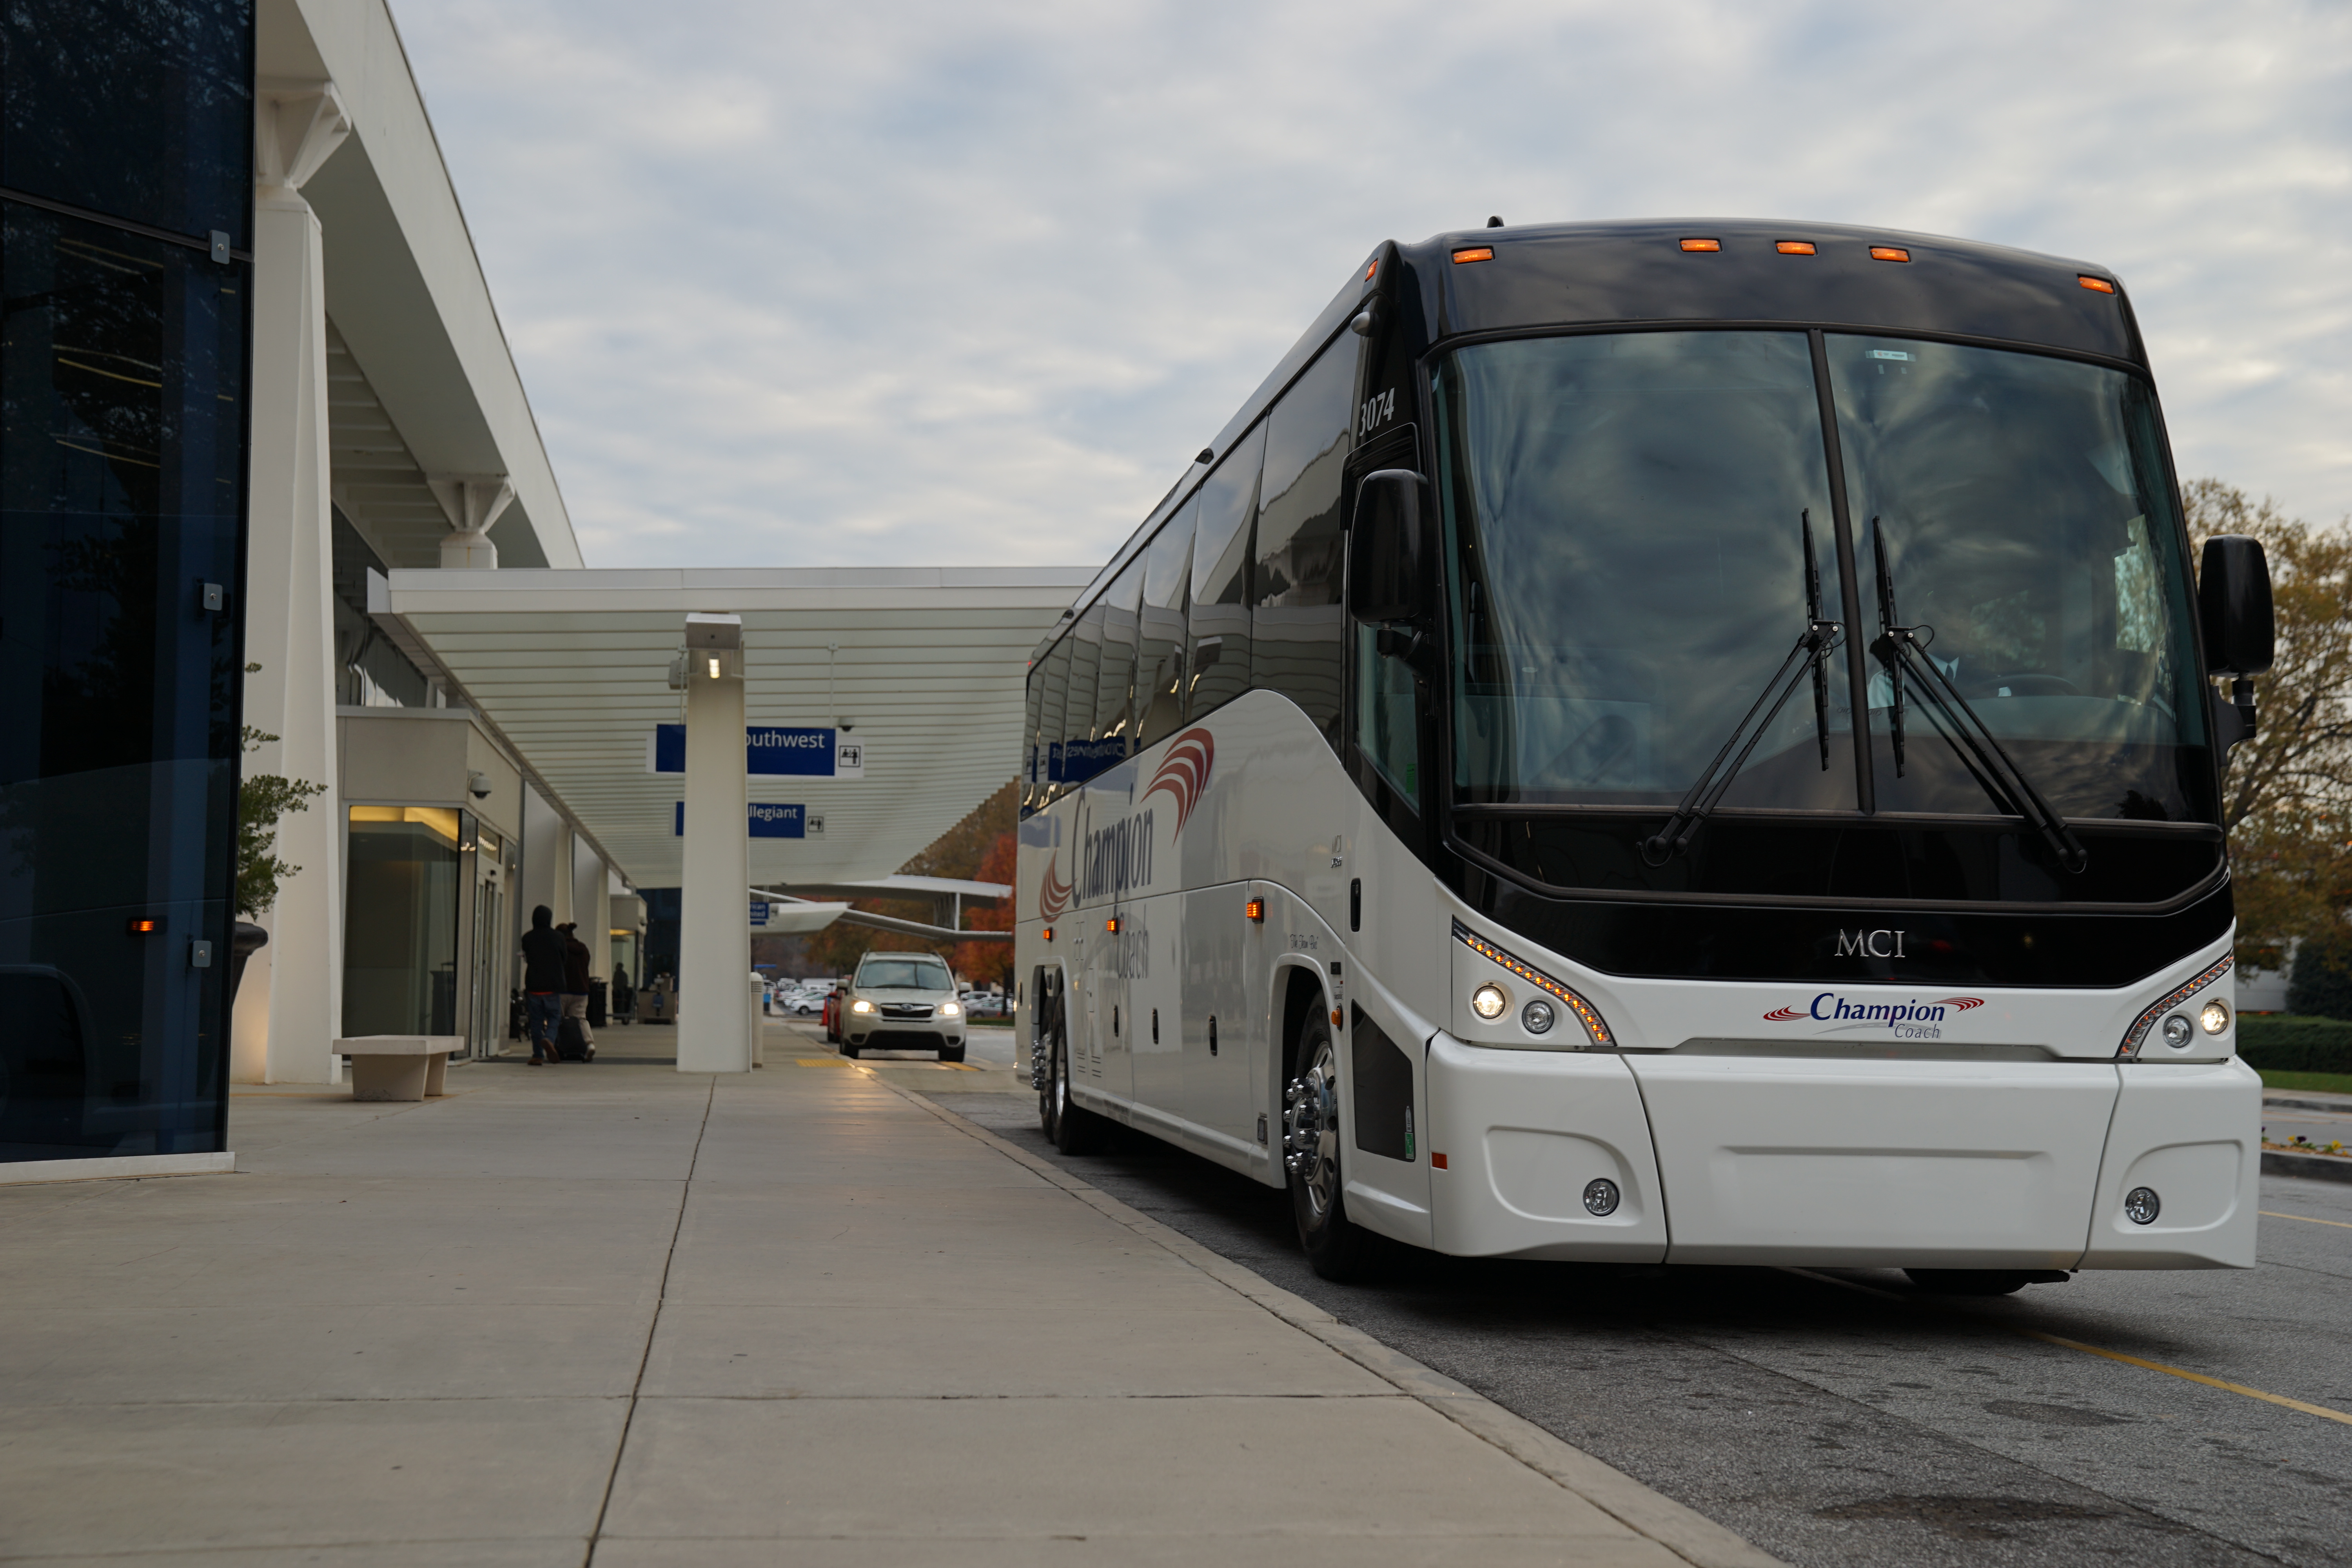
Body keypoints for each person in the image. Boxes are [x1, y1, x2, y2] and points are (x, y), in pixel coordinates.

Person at [518, 906, 567, 1066]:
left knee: (536, 1022)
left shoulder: (527, 938)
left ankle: (538, 1055)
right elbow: (564, 959)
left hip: (534, 985)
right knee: (554, 1017)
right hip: (552, 985)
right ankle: (549, 1039)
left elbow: (527, 957)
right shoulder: (558, 937)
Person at [559, 921, 595, 1056]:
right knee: (580, 1019)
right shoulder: (583, 948)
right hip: (582, 990)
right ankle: (589, 1043)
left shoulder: (561, 948)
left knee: (559, 1019)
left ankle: (561, 1046)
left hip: (563, 990)